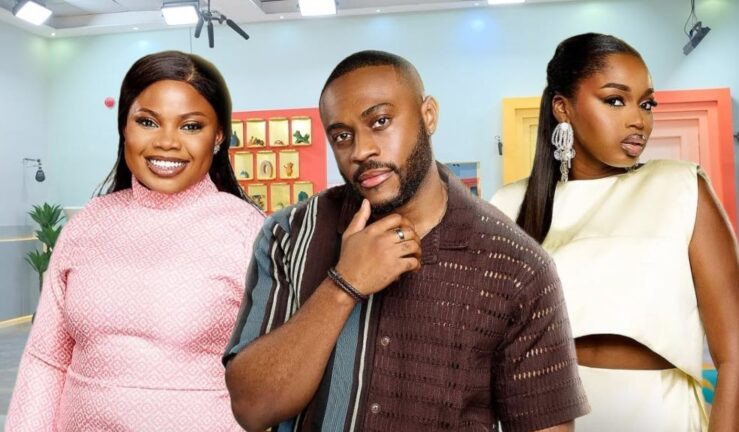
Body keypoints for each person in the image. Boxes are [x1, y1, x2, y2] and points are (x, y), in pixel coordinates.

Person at [223, 50, 589, 431]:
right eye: (342, 136)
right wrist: (343, 285)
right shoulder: (289, 234)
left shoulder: (518, 266)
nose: (361, 151)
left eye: (380, 121)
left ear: (428, 115)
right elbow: (251, 408)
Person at [490, 33, 739, 431]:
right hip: (545, 416)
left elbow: (736, 358)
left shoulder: (682, 187)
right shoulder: (510, 205)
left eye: (646, 104)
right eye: (615, 100)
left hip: (660, 415)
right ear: (563, 108)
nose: (638, 120)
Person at [6, 51, 264, 430]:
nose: (167, 142)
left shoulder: (249, 232)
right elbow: (47, 359)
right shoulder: (88, 223)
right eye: (147, 122)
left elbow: (275, 376)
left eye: (191, 126)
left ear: (219, 136)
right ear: (124, 127)